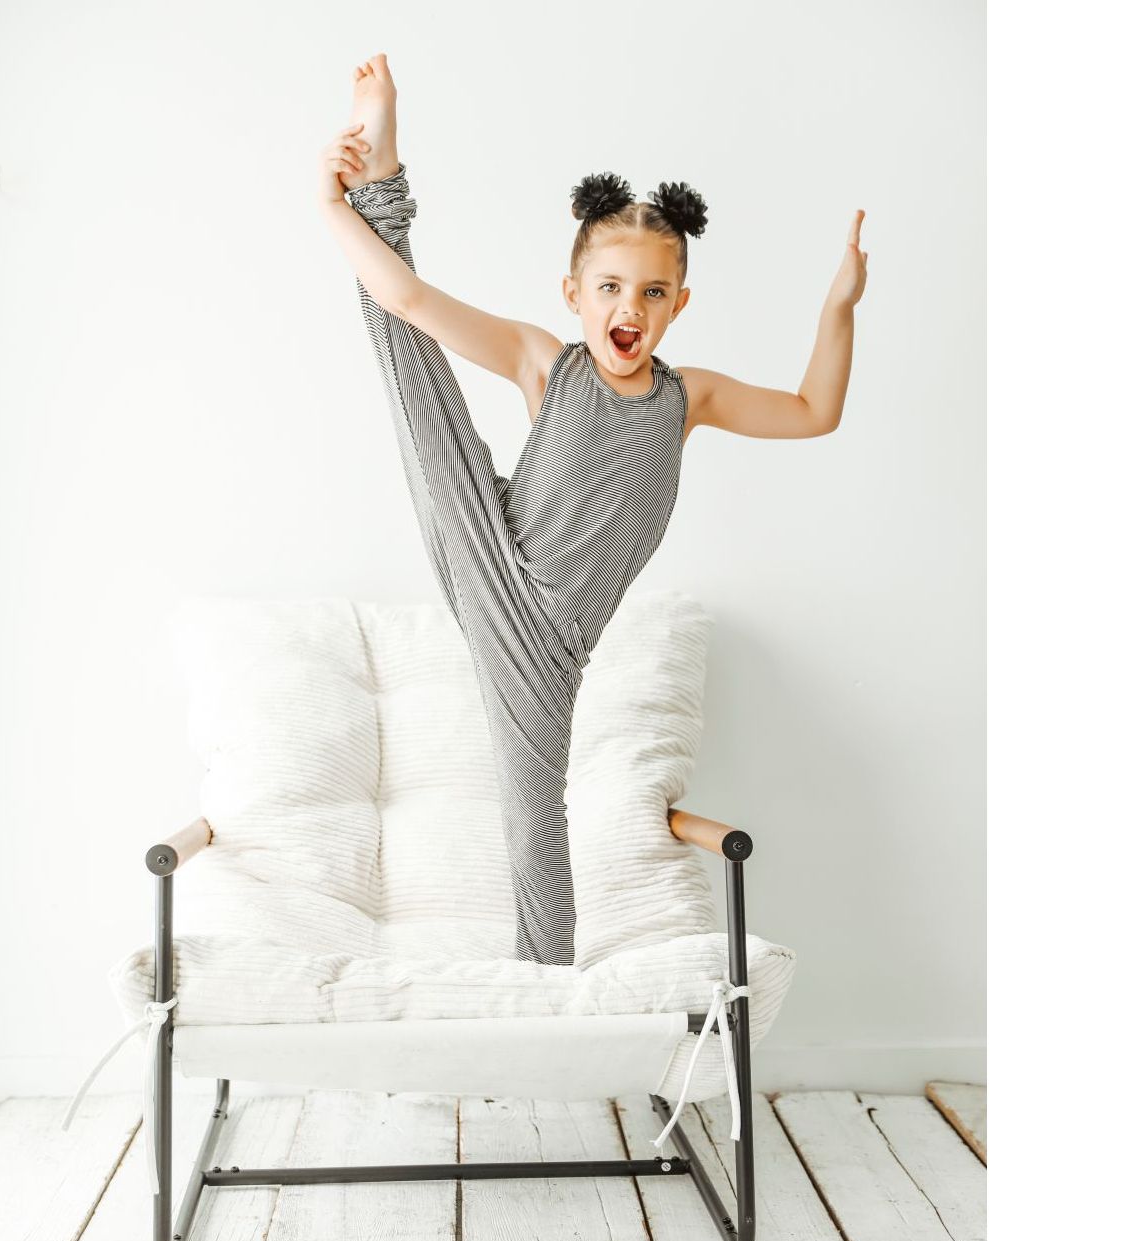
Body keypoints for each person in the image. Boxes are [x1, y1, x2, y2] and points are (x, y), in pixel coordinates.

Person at [317, 53, 866, 965]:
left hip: (547, 641)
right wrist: (332, 206)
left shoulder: (689, 399)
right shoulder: (546, 361)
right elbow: (408, 297)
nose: (629, 307)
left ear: (677, 303)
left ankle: (546, 991)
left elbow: (815, 410)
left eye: (651, 292)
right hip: (491, 544)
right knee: (412, 360)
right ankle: (381, 180)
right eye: (609, 287)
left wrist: (839, 305)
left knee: (533, 814)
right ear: (574, 295)